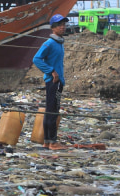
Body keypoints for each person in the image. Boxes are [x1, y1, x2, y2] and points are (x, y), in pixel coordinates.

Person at [33, 14, 69, 150]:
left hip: (58, 82)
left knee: (51, 110)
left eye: (64, 25)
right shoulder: (49, 43)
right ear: (53, 28)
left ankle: (47, 141)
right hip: (54, 82)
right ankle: (52, 142)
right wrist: (51, 71)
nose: (63, 27)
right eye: (60, 25)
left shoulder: (59, 43)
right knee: (53, 111)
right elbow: (36, 59)